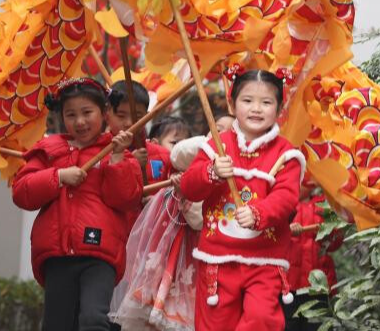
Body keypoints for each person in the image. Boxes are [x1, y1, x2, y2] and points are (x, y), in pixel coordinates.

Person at [11, 77, 142, 331]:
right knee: (57, 325)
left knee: (93, 319)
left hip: (100, 253)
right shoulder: (49, 149)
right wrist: (58, 176)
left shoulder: (117, 151)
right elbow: (22, 192)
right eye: (71, 114)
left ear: (104, 113)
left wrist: (116, 159)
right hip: (57, 254)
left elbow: (126, 199)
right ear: (61, 116)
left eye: (87, 112)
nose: (80, 122)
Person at [180, 70, 305, 331]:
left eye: (266, 102)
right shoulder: (216, 145)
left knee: (262, 320)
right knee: (214, 326)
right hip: (217, 259)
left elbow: (286, 198)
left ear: (279, 108)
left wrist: (259, 213)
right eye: (247, 100)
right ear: (232, 103)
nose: (256, 109)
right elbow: (189, 188)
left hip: (265, 260)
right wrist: (211, 172)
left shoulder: (287, 154)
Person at [109, 134, 207, 330]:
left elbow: (198, 220)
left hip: (195, 267)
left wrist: (188, 192)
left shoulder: (207, 189)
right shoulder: (171, 190)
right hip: (161, 266)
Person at [284, 179, 342, 331]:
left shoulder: (323, 204)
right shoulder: (282, 203)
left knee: (317, 326)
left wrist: (329, 231)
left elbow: (335, 243)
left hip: (318, 285)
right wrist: (286, 230)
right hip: (289, 285)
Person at [109, 80, 172, 186]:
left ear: (146, 117)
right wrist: (131, 163)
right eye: (121, 115)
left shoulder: (163, 155)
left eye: (137, 117)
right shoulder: (96, 155)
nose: (129, 123)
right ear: (106, 114)